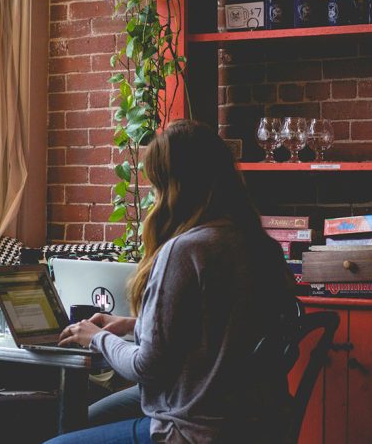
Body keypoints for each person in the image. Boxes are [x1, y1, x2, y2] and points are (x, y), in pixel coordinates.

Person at [46, 120, 297, 444]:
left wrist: (95, 337)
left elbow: (147, 366)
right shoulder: (260, 245)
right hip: (255, 422)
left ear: (175, 187)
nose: (152, 195)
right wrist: (132, 325)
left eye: (156, 185)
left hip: (196, 428)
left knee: (57, 438)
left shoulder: (186, 250)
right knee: (84, 420)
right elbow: (217, 335)